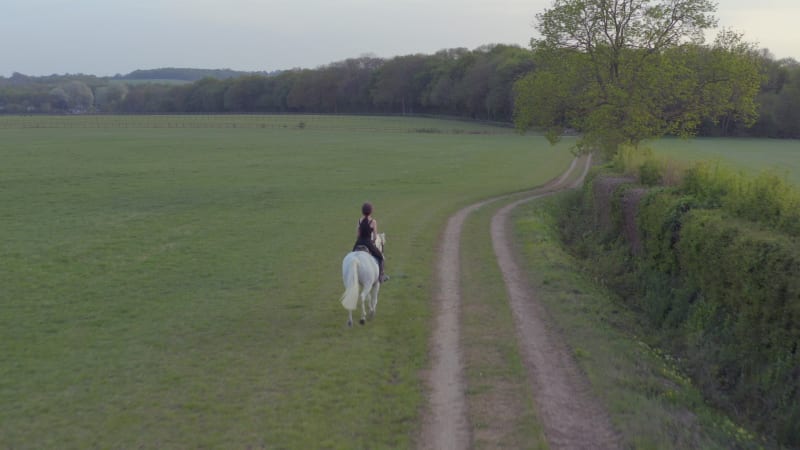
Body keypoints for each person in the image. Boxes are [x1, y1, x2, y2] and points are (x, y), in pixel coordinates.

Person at [353, 202, 388, 282]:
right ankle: (381, 275)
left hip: (358, 242)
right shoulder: (373, 221)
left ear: (362, 211)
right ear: (371, 211)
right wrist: (372, 241)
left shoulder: (359, 220)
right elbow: (375, 236)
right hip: (368, 242)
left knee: (352, 255)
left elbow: (357, 235)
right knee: (380, 257)